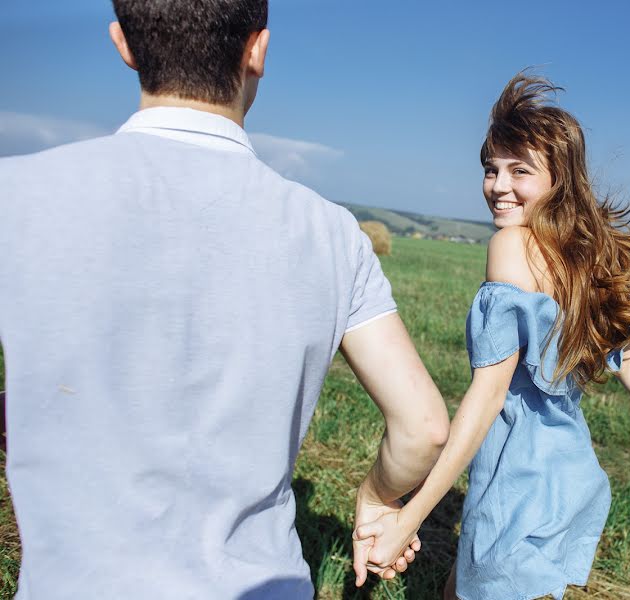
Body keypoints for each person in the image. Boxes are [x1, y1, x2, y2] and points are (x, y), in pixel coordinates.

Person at [0, 1, 447, 598]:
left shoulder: (18, 198)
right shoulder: (333, 233)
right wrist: (375, 499)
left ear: (124, 44)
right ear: (257, 50)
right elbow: (423, 428)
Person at [353, 74, 630, 600]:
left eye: (520, 170)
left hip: (515, 472)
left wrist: (411, 517)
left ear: (559, 179)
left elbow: (488, 396)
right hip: (567, 469)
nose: (499, 186)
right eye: (491, 169)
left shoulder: (511, 245)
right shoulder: (585, 257)